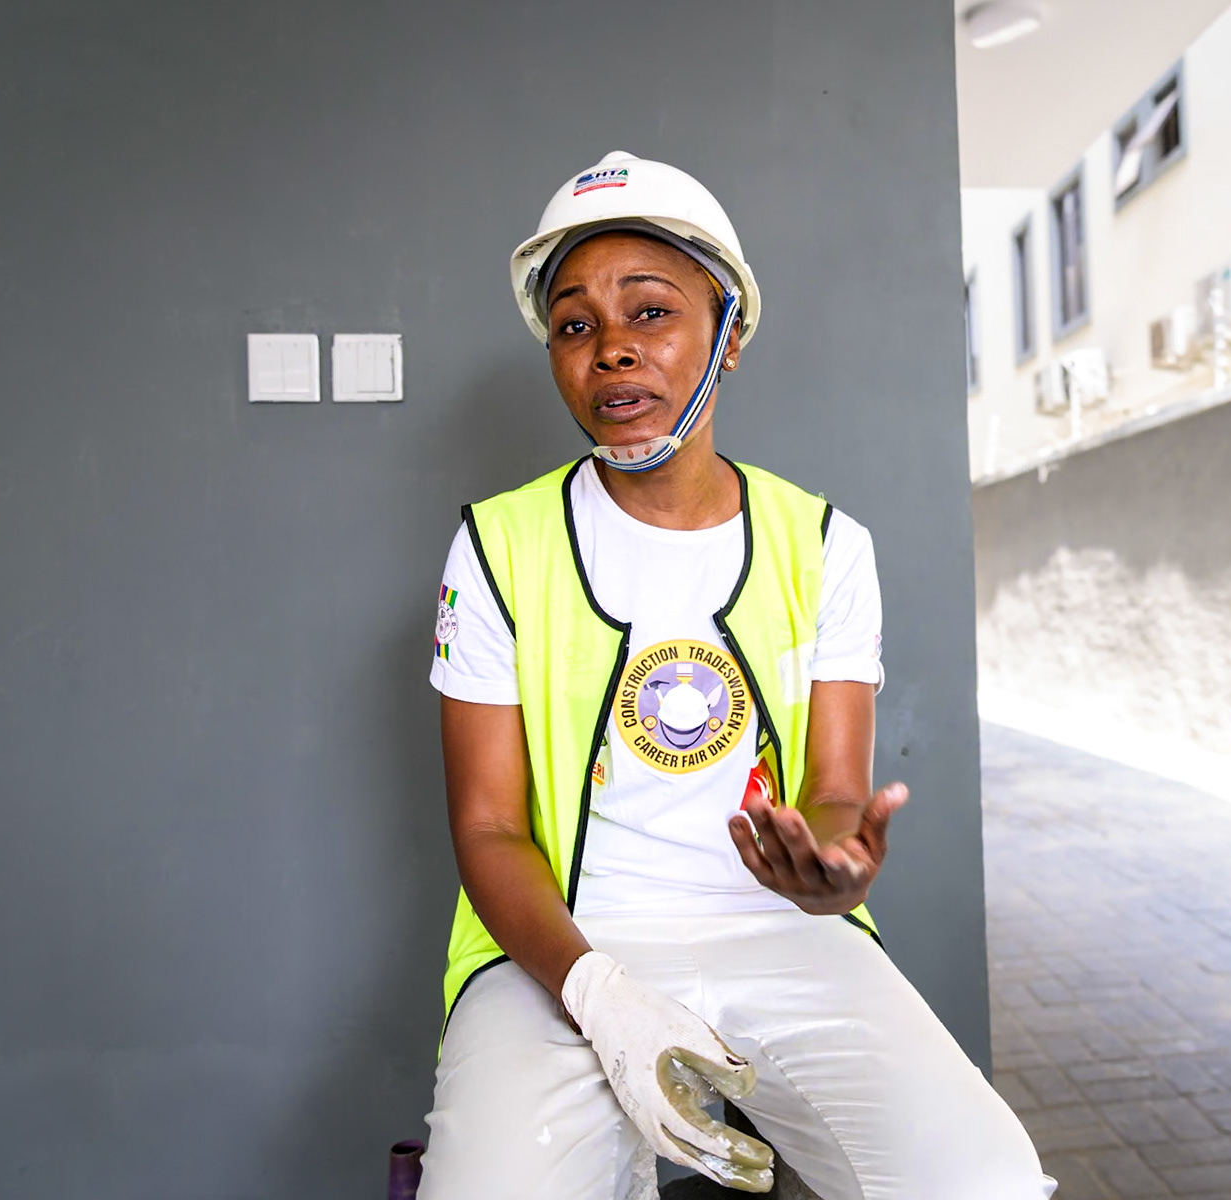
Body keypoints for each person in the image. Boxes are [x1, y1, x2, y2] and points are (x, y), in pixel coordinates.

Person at [417, 150, 1054, 1200]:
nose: (612, 349)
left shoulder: (826, 543)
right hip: (568, 940)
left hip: (779, 934)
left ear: (730, 337)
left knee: (982, 1183)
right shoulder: (499, 545)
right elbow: (487, 827)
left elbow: (835, 790)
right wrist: (599, 992)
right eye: (575, 325)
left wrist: (833, 864)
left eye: (652, 311)